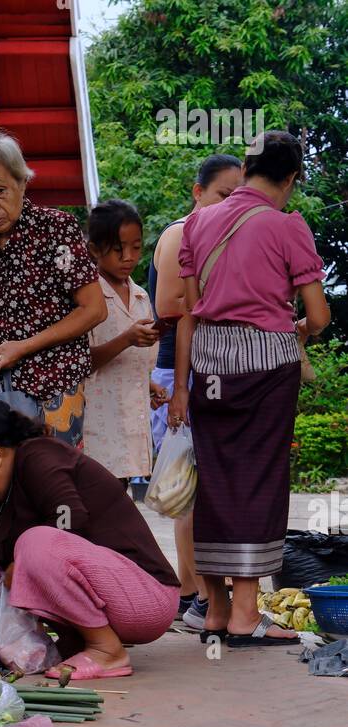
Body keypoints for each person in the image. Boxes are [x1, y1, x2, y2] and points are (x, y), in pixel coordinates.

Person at [171, 130, 329, 645]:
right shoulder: (287, 227)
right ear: (290, 178)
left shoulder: (197, 221)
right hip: (265, 364)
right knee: (258, 480)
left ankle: (214, 610)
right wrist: (298, 327)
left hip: (210, 363)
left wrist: (180, 387)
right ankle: (244, 614)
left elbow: (190, 312)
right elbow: (319, 316)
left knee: (214, 479)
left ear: (246, 166)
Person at [0, 398, 179, 680]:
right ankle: (20, 644)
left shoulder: (39, 456)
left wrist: (19, 564)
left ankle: (107, 651)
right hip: (115, 599)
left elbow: (69, 519)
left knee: (35, 543)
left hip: (147, 600)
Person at [0, 132, 106, 444]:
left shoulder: (56, 230)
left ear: (22, 183)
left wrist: (23, 346)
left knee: (53, 481)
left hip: (55, 388)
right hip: (0, 391)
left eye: (0, 191)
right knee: (4, 486)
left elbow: (94, 309)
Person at [149, 154, 243, 630]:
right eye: (225, 194)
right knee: (187, 493)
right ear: (197, 191)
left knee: (207, 492)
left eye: (240, 195)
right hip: (175, 379)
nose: (233, 204)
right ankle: (197, 596)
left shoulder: (224, 237)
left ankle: (199, 595)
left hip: (209, 371)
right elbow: (168, 304)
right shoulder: (179, 234)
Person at [82, 199, 162, 483]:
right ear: (94, 250)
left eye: (136, 248)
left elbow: (136, 360)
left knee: (120, 497)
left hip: (130, 422)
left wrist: (148, 384)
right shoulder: (85, 297)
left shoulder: (141, 296)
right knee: (100, 501)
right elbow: (79, 361)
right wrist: (126, 339)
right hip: (98, 427)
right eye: (118, 249)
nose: (128, 257)